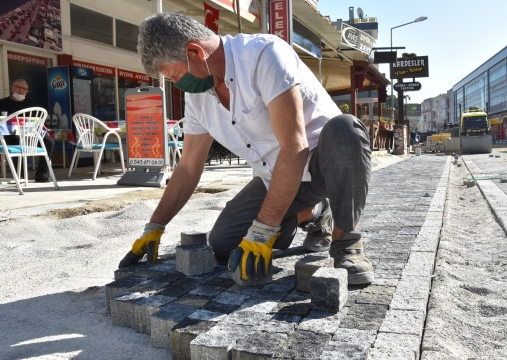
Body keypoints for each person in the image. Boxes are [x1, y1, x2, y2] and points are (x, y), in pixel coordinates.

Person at [118, 13, 374, 285]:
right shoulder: (197, 97)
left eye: (176, 75)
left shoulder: (264, 54)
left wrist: (263, 231)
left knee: (347, 130)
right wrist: (155, 226)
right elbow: (188, 167)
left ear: (195, 51)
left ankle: (346, 243)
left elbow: (295, 147)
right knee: (224, 243)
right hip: (277, 177)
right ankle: (316, 212)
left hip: (321, 162)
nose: (178, 84)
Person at [0, 79, 55, 182]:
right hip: (11, 132)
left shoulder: (31, 103)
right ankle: (20, 175)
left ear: (27, 91)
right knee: (14, 139)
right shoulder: (2, 103)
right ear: (12, 88)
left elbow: (37, 120)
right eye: (18, 87)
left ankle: (42, 173)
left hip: (30, 133)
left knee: (49, 141)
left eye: (24, 88)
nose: (21, 90)